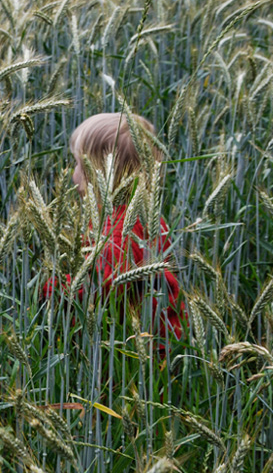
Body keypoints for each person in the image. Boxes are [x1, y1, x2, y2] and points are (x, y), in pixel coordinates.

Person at [42, 112, 186, 347]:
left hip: (136, 353)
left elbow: (91, 286)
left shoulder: (118, 234)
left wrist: (49, 289)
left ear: (99, 171)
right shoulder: (145, 217)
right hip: (151, 342)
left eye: (78, 164)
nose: (73, 173)